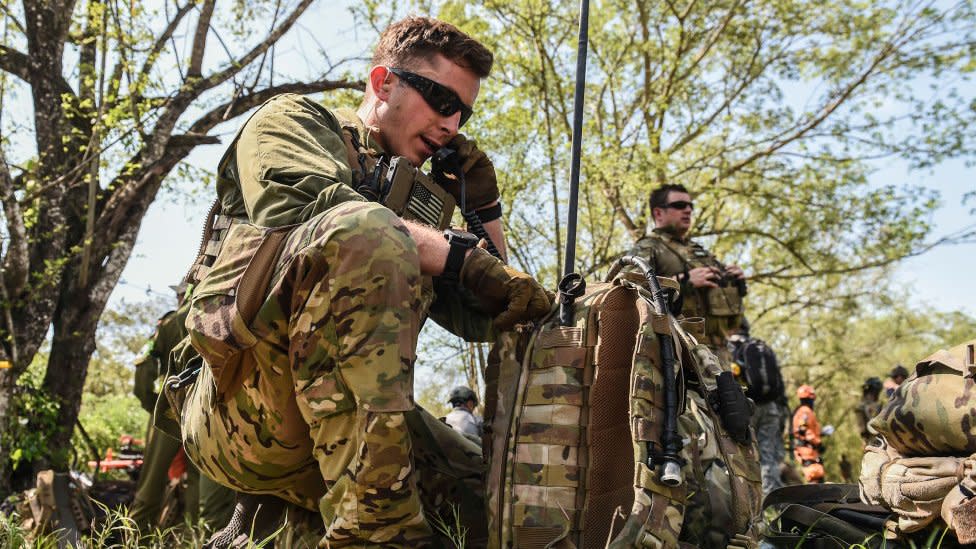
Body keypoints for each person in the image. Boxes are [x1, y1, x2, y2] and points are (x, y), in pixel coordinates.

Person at [179, 16, 551, 547]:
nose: (452, 125)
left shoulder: (421, 206)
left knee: (502, 502)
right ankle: (376, 534)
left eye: (464, 113)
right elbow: (314, 210)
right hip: (239, 404)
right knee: (366, 230)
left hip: (356, 424)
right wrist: (458, 256)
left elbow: (489, 316)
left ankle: (325, 520)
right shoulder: (294, 121)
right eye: (442, 101)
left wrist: (482, 210)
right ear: (384, 83)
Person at [130, 295, 236, 534]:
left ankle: (137, 539)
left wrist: (153, 406)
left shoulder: (170, 322)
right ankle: (194, 538)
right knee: (202, 481)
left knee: (150, 484)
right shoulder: (222, 310)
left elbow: (143, 370)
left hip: (170, 406)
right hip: (210, 409)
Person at [625, 184, 746, 360]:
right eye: (680, 205)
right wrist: (683, 282)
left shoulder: (698, 251)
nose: (688, 210)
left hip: (720, 353)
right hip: (679, 354)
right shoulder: (650, 247)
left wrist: (735, 281)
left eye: (691, 206)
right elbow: (628, 292)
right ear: (658, 213)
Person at [729, 320, 787, 497]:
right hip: (771, 407)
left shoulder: (732, 347)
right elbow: (780, 383)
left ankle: (750, 499)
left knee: (743, 453)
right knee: (768, 455)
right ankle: (772, 500)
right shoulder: (762, 347)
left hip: (747, 405)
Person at [792, 384, 825, 483]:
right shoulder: (805, 412)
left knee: (816, 475)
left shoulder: (803, 411)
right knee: (814, 474)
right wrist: (818, 442)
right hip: (807, 451)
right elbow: (805, 430)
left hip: (809, 450)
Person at [854, 376, 883, 445]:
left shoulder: (861, 406)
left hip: (873, 440)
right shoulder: (864, 406)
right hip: (873, 440)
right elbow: (863, 429)